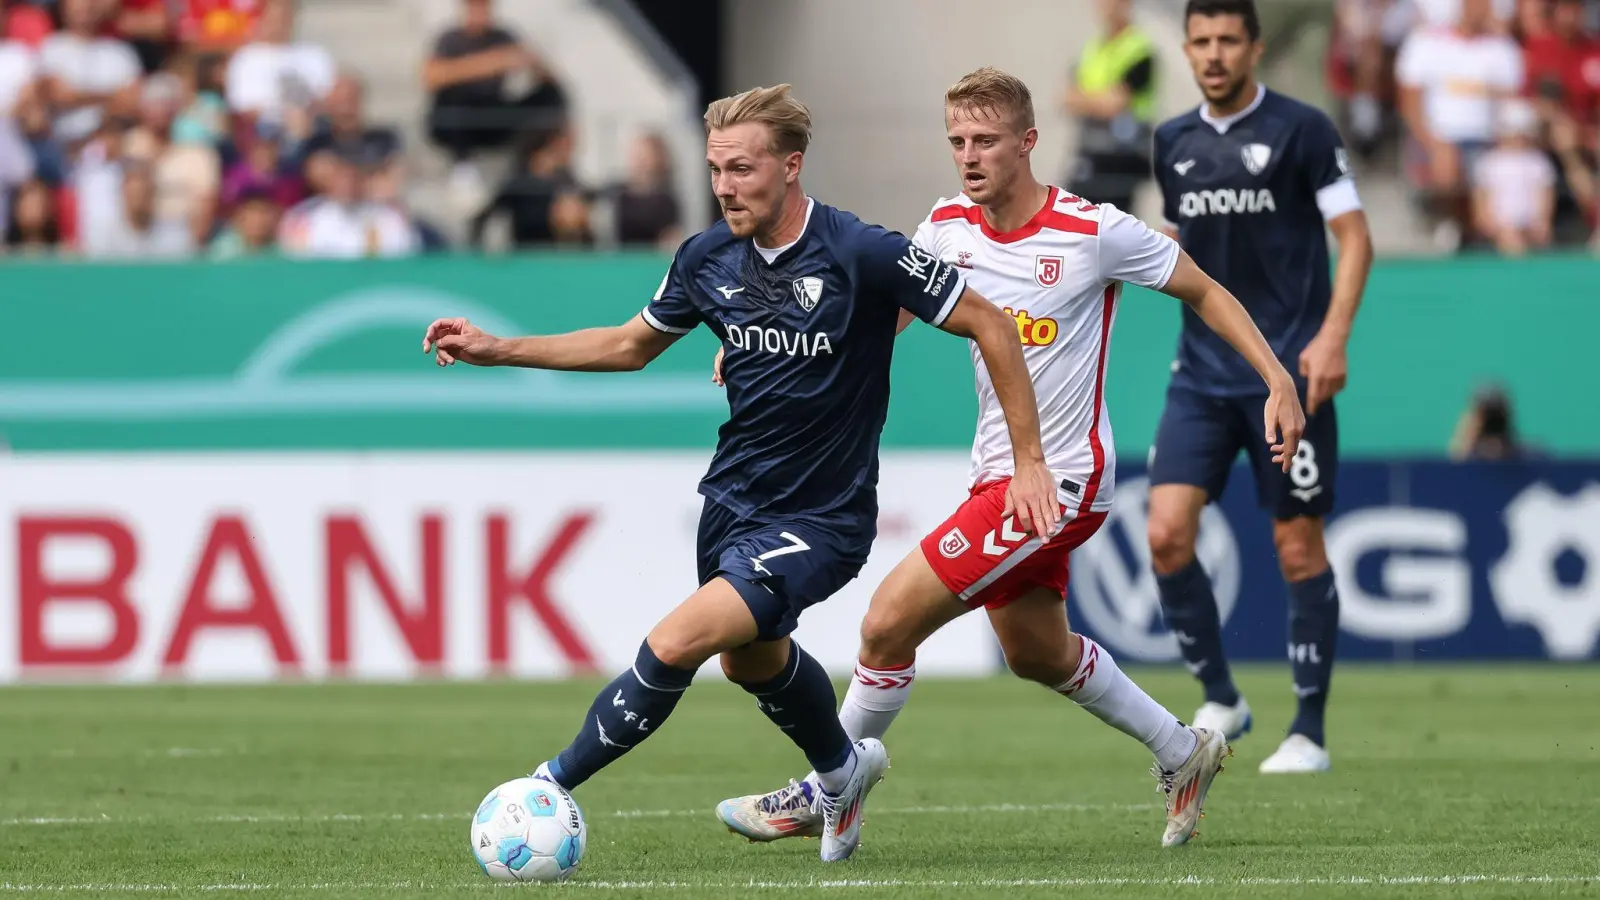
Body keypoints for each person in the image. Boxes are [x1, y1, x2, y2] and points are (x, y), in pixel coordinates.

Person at [420, 83, 1060, 863]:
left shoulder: (864, 252)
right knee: (749, 660)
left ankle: (547, 787)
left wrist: (1028, 463)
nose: (726, 186)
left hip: (824, 517)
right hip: (733, 504)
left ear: (790, 167)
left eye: (743, 169)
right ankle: (841, 770)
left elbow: (990, 321)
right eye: (717, 168)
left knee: (676, 641)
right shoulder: (705, 257)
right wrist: (499, 348)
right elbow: (629, 345)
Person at [709, 67, 1305, 850]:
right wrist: (772, 345)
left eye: (985, 140)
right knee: (1035, 651)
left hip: (1061, 478)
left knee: (888, 624)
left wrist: (1278, 379)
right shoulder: (946, 227)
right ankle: (1182, 751)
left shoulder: (1093, 231)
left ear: (1027, 143)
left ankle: (825, 788)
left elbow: (1204, 290)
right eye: (957, 140)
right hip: (995, 474)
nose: (968, 155)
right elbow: (882, 315)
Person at [1148, 0, 1375, 774]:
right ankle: (1222, 695)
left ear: (1253, 47)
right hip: (1201, 376)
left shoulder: (1303, 130)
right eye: (1201, 41)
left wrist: (1333, 336)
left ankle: (1308, 730)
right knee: (1165, 532)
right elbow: (1180, 253)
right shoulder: (1171, 141)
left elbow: (1355, 236)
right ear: (1186, 49)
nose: (1213, 54)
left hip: (1289, 376)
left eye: (1227, 41)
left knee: (1296, 543)